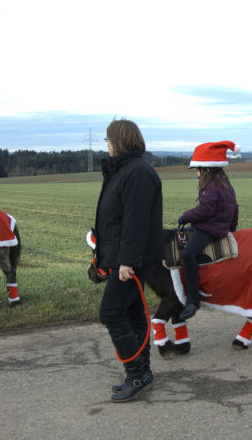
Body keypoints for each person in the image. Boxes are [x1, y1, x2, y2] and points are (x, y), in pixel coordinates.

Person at [94, 118, 163, 402]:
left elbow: (136, 222)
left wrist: (127, 261)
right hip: (125, 257)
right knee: (134, 314)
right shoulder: (124, 171)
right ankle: (142, 372)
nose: (107, 145)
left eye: (109, 139)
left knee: (110, 313)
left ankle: (135, 373)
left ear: (119, 141)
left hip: (133, 260)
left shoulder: (136, 173)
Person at [178, 141, 239, 320]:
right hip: (215, 225)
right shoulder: (223, 182)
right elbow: (235, 207)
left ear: (206, 169)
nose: (197, 174)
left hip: (211, 229)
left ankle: (193, 299)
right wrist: (232, 228)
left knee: (187, 255)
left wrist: (185, 216)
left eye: (197, 170)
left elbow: (205, 210)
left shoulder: (212, 186)